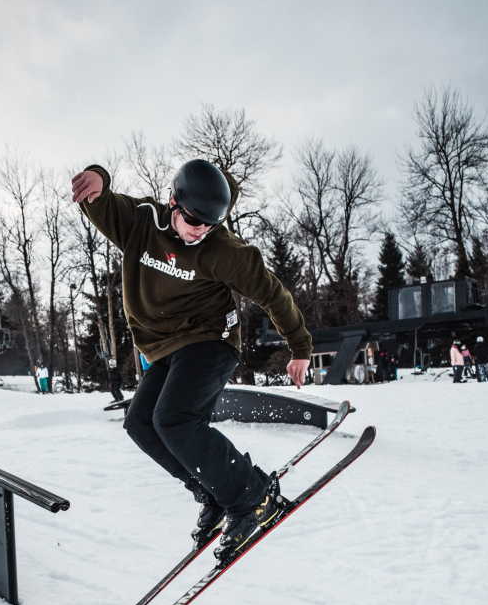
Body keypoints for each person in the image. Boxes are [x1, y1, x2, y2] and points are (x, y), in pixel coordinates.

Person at [72, 159, 312, 561]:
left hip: (210, 341)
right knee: (141, 423)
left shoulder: (225, 251)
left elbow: (273, 294)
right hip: (165, 348)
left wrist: (300, 348)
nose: (198, 231)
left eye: (208, 225)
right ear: (173, 204)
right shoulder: (142, 222)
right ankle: (212, 492)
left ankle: (252, 497)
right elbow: (102, 199)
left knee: (176, 419)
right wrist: (98, 179)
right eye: (192, 221)